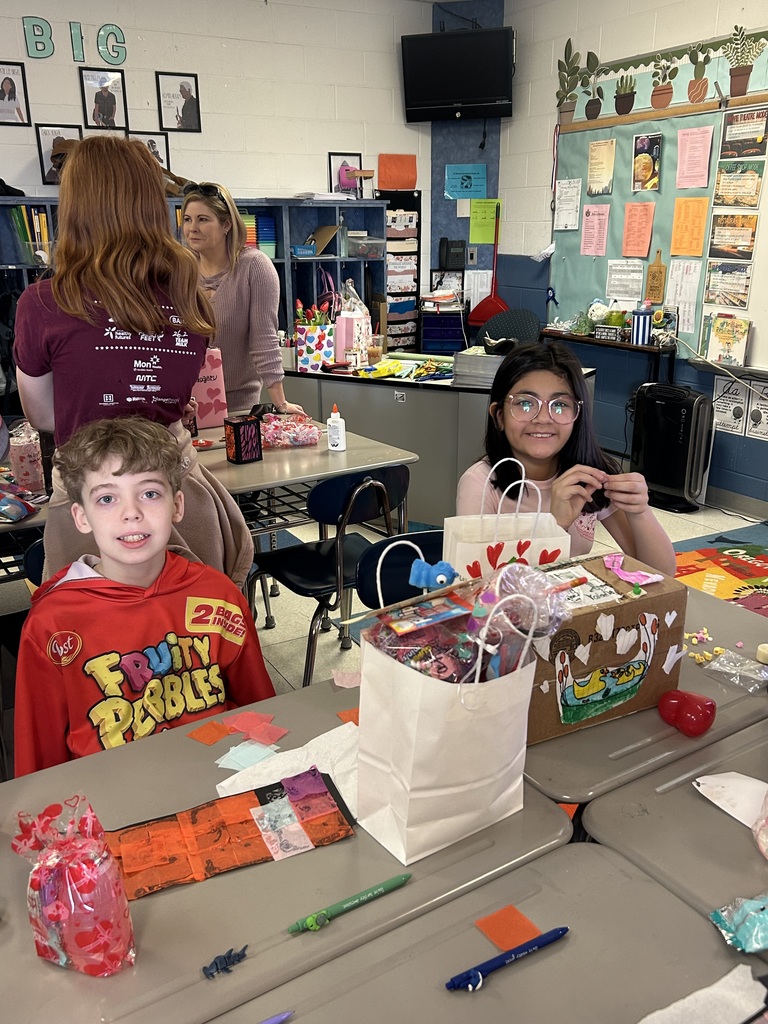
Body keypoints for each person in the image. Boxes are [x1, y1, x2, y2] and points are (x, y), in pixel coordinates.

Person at [13, 135, 254, 587]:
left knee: (105, 648)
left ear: (75, 208)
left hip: (96, 504)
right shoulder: (191, 298)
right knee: (195, 642)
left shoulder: (44, 303)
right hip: (176, 492)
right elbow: (172, 397)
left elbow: (44, 415)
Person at [13, 417, 275, 776]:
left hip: (217, 776)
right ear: (81, 517)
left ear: (177, 505)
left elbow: (259, 711)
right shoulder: (52, 624)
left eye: (149, 493)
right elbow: (38, 758)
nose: (131, 513)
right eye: (106, 498)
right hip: (111, 797)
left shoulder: (218, 595)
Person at [456, 339, 676, 576]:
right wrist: (555, 525)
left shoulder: (589, 476)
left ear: (577, 416)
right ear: (499, 416)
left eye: (560, 405)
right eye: (525, 403)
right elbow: (476, 587)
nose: (543, 418)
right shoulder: (480, 483)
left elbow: (661, 574)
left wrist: (640, 512)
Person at [181, 181, 304, 414]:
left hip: (239, 408)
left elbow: (264, 340)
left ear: (226, 224)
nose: (192, 228)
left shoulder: (254, 267)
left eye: (203, 219)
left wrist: (280, 403)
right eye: (187, 219)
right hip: (185, 409)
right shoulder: (179, 270)